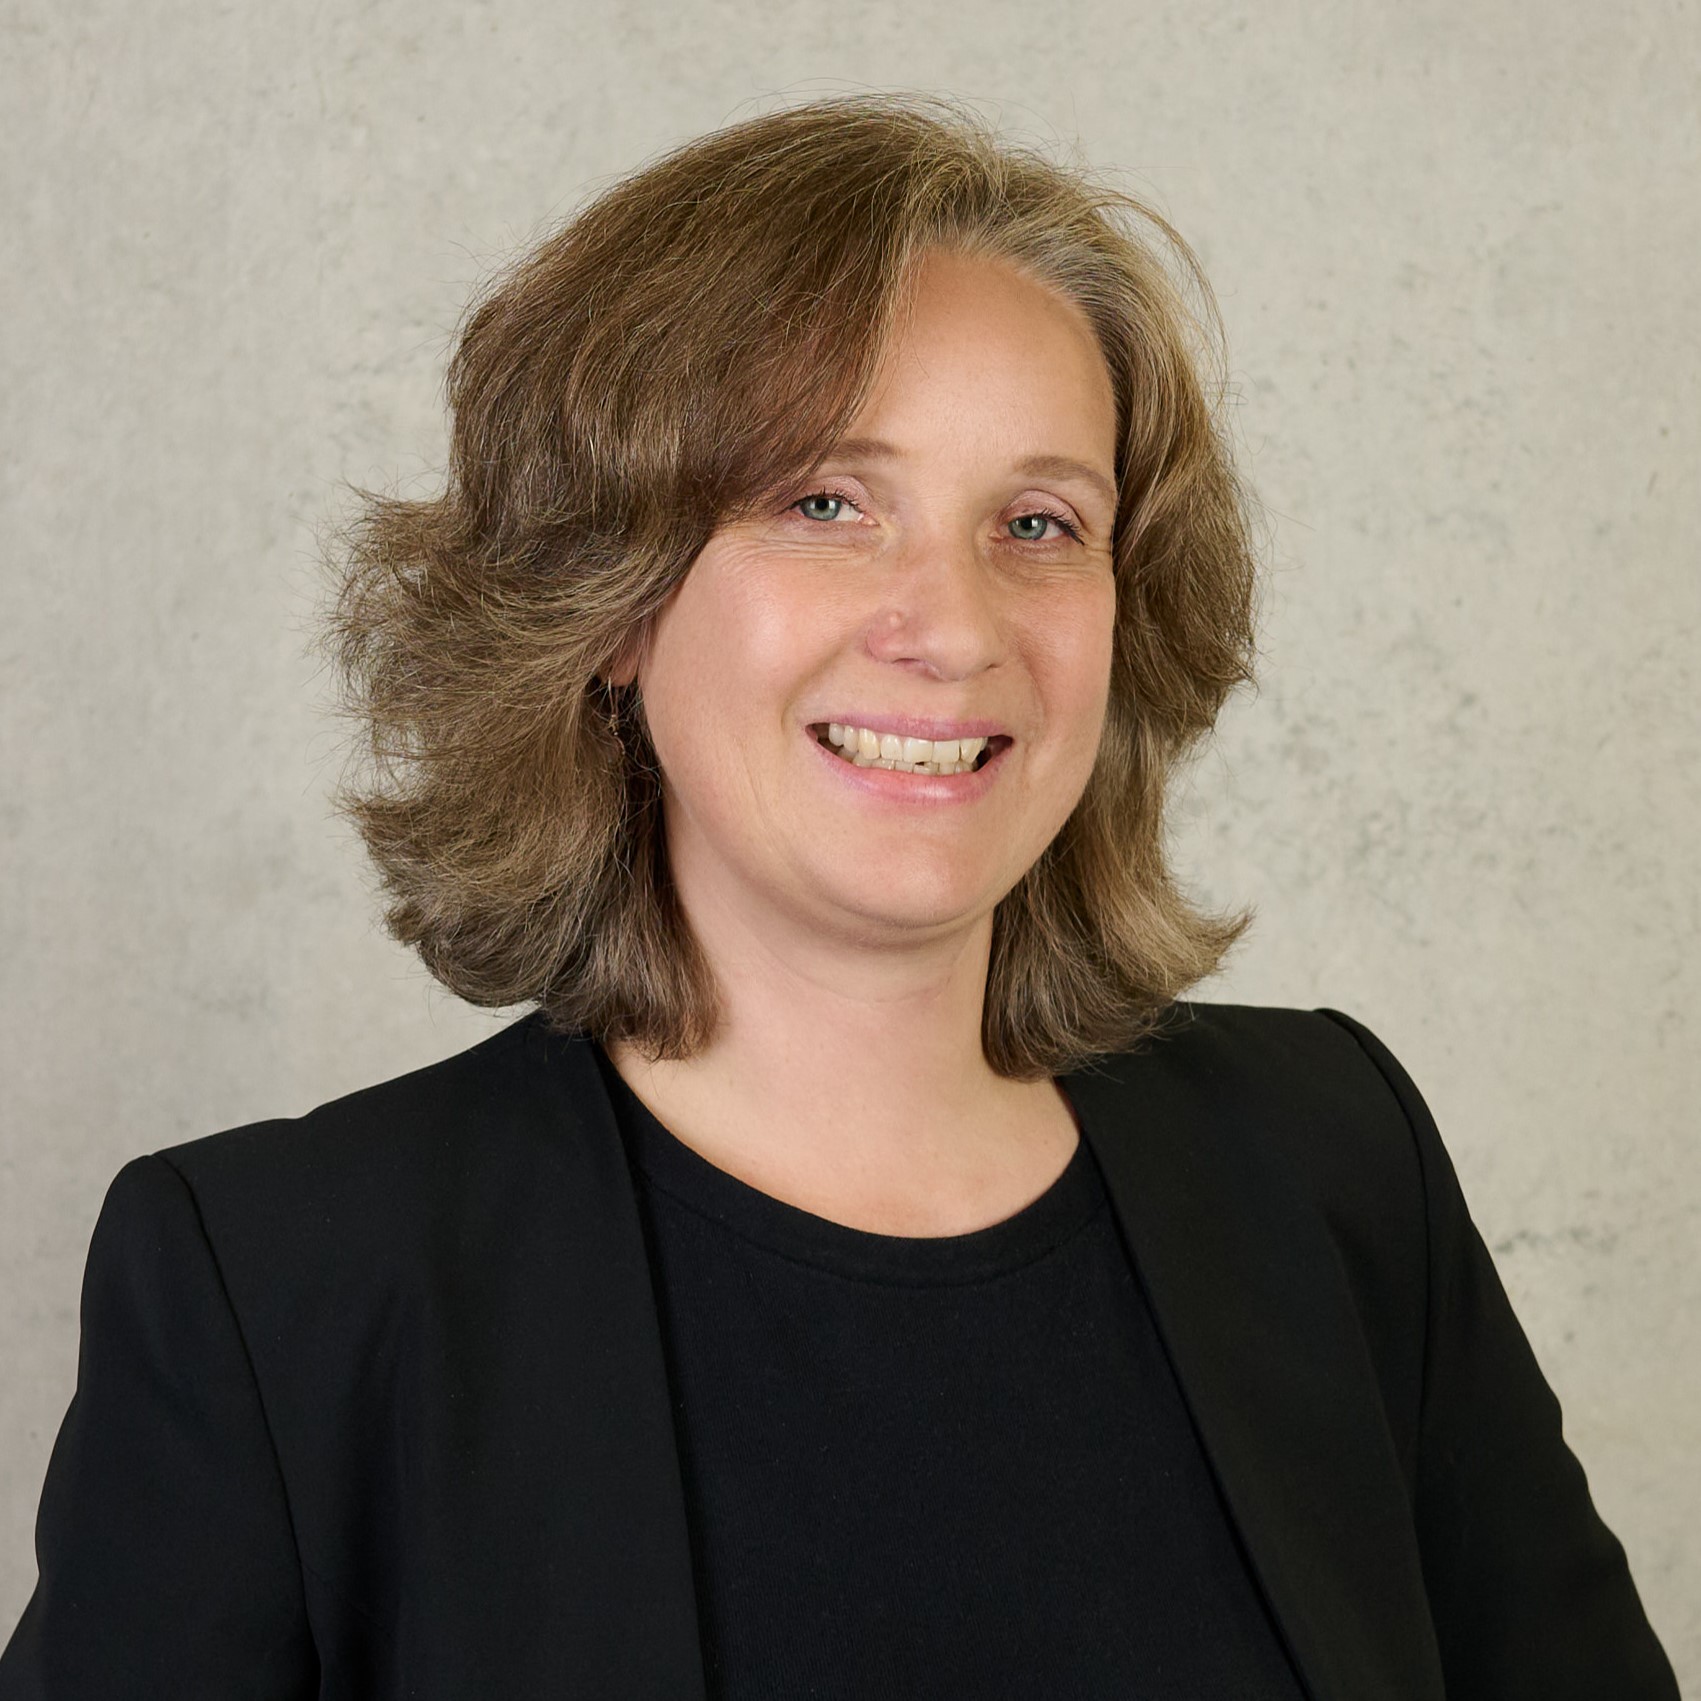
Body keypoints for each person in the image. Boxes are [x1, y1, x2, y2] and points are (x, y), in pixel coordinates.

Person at [0, 94, 1680, 1700]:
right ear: (611, 607)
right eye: (823, 500)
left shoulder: (1333, 1171)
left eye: (1036, 519)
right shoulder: (281, 1289)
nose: (950, 624)